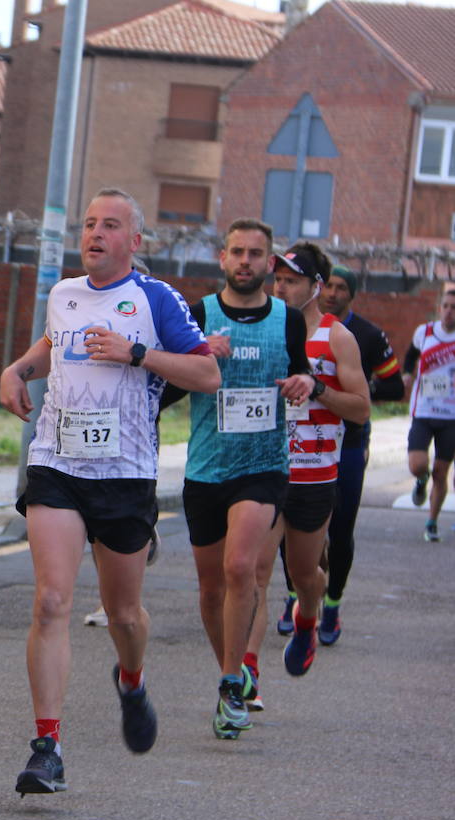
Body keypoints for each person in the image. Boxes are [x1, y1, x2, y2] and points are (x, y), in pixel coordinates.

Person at [0, 189, 219, 793]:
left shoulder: (154, 299)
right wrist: (17, 370)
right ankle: (47, 746)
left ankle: (131, 678)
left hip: (124, 475)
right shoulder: (64, 295)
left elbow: (207, 373)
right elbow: (51, 347)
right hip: (57, 465)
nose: (95, 232)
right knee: (51, 602)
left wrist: (138, 353)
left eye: (110, 225)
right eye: (89, 222)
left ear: (134, 241)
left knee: (123, 613)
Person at [165, 218, 312, 736]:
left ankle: (233, 683)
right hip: (206, 468)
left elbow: (302, 371)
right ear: (223, 259)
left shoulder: (288, 319)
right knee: (209, 590)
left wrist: (304, 381)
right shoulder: (197, 314)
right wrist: (200, 358)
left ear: (269, 264)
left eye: (256, 254)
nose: (246, 261)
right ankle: (230, 673)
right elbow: (167, 390)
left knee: (240, 567)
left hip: (263, 466)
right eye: (237, 252)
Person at [271, 264, 404, 644]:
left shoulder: (362, 334)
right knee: (288, 530)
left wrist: (340, 391)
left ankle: (332, 602)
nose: (332, 292)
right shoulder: (288, 328)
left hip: (347, 442)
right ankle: (297, 595)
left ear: (351, 294)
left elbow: (393, 386)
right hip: (297, 446)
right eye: (327, 285)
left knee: (341, 528)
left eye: (340, 287)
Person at [264, 244, 370, 680]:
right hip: (264, 470)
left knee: (306, 573)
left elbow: (362, 408)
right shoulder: (263, 329)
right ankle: (242, 677)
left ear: (315, 287)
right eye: (279, 279)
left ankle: (308, 619)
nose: (281, 288)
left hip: (314, 470)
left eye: (292, 281)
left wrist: (318, 388)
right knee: (250, 573)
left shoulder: (335, 337)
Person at [401, 282, 455, 542]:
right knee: (418, 464)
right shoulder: (425, 332)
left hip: (451, 416)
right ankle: (420, 481)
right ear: (439, 308)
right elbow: (410, 356)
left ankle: (432, 521)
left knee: (441, 472)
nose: (449, 312)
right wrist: (407, 374)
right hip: (423, 410)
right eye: (446, 306)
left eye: (454, 308)